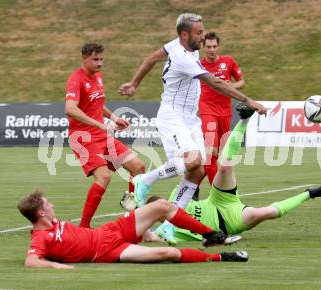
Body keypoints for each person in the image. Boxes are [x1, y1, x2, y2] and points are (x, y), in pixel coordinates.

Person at [119, 13, 267, 244]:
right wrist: (249, 101)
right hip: (172, 116)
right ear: (185, 34)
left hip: (190, 119)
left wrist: (134, 84)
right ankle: (144, 180)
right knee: (192, 162)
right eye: (199, 32)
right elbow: (216, 82)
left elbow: (150, 59)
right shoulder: (181, 56)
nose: (202, 35)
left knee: (197, 171)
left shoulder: (182, 46)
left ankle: (168, 226)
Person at [139, 103, 321, 242]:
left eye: (161, 205)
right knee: (265, 213)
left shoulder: (174, 199)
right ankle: (309, 194)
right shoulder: (167, 231)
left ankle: (244, 120)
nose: (164, 209)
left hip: (219, 201)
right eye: (158, 212)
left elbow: (191, 185)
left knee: (225, 166)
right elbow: (149, 238)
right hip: (230, 222)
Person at [17, 189, 247, 269]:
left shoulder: (52, 222)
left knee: (163, 206)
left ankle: (211, 236)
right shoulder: (40, 236)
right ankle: (222, 257)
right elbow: (31, 261)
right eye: (48, 205)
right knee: (170, 254)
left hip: (110, 231)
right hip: (108, 253)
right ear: (41, 213)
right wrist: (57, 267)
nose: (53, 205)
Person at [65, 43, 146, 228]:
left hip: (101, 134)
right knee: (104, 177)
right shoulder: (76, 79)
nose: (99, 63)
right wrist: (100, 124)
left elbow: (96, 104)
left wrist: (114, 118)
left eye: (101, 59)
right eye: (95, 59)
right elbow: (70, 109)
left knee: (138, 167)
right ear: (84, 58)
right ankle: (84, 228)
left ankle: (131, 219)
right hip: (83, 137)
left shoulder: (98, 77)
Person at [200, 32, 245, 185]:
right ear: (203, 47)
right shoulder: (199, 65)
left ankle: (194, 185)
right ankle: (215, 191)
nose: (211, 50)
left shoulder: (228, 61)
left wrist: (230, 85)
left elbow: (241, 82)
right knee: (210, 150)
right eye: (208, 47)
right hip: (207, 110)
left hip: (225, 112)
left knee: (218, 154)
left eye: (214, 46)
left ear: (218, 46)